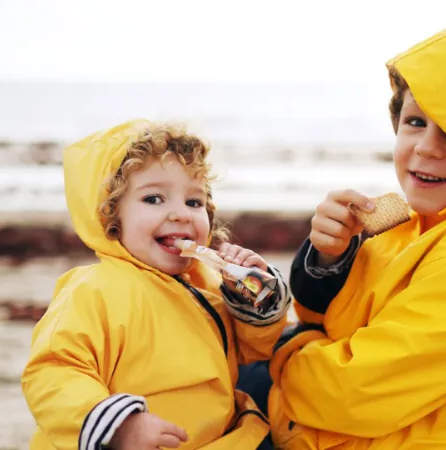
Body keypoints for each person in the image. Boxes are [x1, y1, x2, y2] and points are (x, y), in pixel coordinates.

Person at [246, 2, 446, 448]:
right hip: (310, 421)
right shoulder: (408, 223)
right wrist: (328, 259)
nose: (426, 148)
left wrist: (284, 346)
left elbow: (352, 395)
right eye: (416, 122)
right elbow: (324, 318)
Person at [21, 120, 291, 450]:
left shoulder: (206, 283)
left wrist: (252, 297)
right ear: (111, 217)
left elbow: (253, 353)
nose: (181, 214)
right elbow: (55, 371)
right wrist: (118, 427)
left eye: (194, 202)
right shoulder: (94, 290)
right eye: (153, 199)